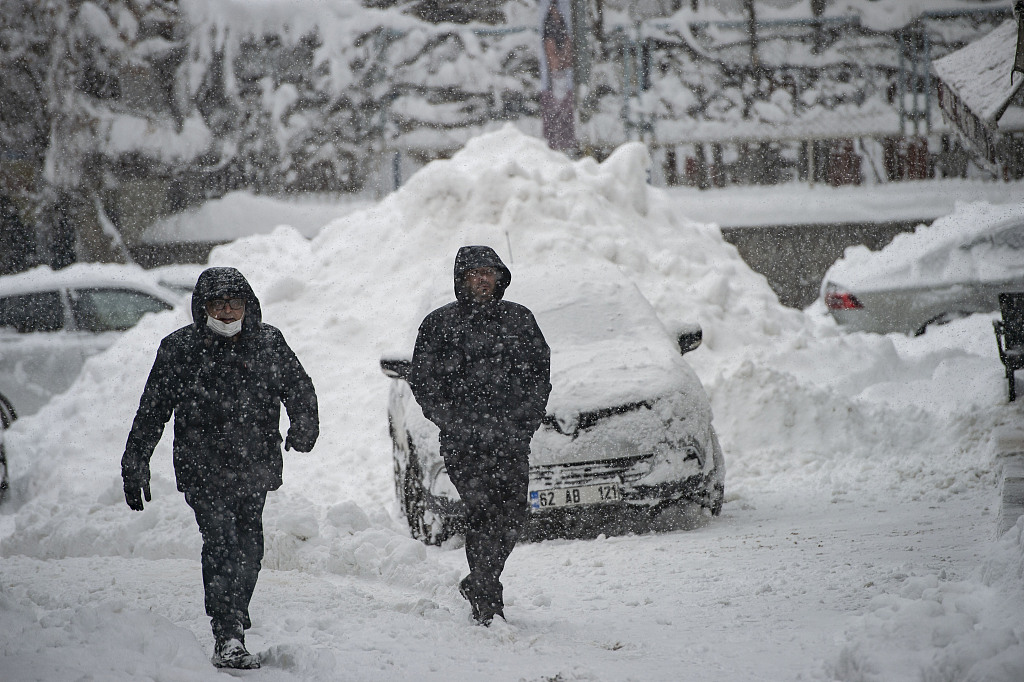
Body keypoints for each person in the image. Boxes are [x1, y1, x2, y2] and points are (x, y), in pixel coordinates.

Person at [121, 267, 318, 669]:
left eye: (235, 303)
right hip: (202, 467)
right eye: (218, 304)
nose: (227, 312)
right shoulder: (180, 349)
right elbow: (152, 409)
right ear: (202, 307)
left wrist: (305, 426)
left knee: (250, 547)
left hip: (254, 464)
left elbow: (298, 387)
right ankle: (227, 632)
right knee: (222, 542)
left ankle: (235, 608)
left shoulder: (268, 343)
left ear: (249, 305)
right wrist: (135, 460)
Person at [408, 245, 551, 625]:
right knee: (483, 512)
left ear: (500, 276)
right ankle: (488, 599)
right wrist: (454, 422)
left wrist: (524, 421)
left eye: (489, 271)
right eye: (474, 272)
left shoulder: (520, 320)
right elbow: (423, 381)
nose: (482, 278)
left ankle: (480, 581)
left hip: (511, 440)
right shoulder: (438, 325)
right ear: (461, 279)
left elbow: (539, 375)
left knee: (512, 516)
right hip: (464, 443)